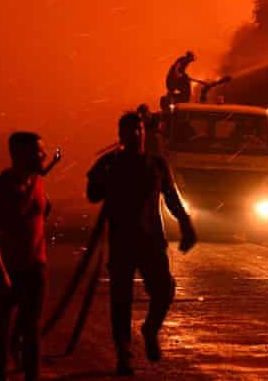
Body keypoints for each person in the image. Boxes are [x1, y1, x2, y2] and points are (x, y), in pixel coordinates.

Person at [86, 112, 197, 376]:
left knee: (164, 290)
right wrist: (102, 177)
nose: (135, 134)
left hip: (152, 242)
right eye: (129, 130)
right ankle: (124, 354)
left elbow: (171, 198)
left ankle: (150, 329)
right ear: (120, 134)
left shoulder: (157, 164)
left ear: (144, 132)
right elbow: (92, 195)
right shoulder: (110, 163)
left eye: (138, 129)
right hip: (122, 243)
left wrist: (186, 225)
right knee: (120, 301)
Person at [0, 132, 52, 381]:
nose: (43, 155)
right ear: (19, 155)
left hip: (35, 269)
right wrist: (0, 273)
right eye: (37, 151)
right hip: (6, 271)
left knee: (32, 333)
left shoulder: (38, 183)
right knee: (2, 332)